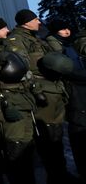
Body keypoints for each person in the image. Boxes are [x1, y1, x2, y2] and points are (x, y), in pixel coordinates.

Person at [8, 9, 76, 184]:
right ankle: (56, 175)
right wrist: (35, 90)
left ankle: (60, 173)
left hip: (54, 90)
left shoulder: (36, 37)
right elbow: (21, 68)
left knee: (56, 135)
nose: (39, 22)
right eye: (36, 19)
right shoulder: (18, 39)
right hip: (41, 93)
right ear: (25, 21)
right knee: (47, 136)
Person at [0, 17, 36, 184]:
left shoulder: (8, 45)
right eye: (4, 28)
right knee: (16, 150)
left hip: (23, 102)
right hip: (6, 105)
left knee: (27, 148)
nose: (7, 30)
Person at [46, 20, 86, 181]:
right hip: (73, 90)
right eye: (62, 29)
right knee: (79, 128)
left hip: (80, 88)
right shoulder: (54, 45)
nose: (67, 31)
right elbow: (66, 69)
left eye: (68, 28)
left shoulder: (68, 44)